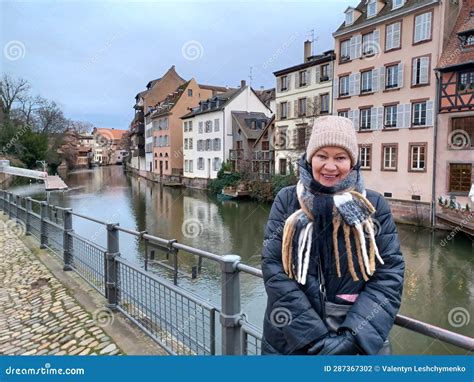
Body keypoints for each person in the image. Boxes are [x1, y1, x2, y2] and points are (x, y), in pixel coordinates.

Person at [261, 116, 404, 355]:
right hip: (291, 342)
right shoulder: (287, 200)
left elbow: (389, 275)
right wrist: (312, 337)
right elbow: (273, 268)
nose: (330, 166)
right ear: (310, 159)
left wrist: (352, 338)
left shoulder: (372, 205)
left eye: (340, 157)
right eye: (322, 156)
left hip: (354, 346)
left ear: (352, 162)